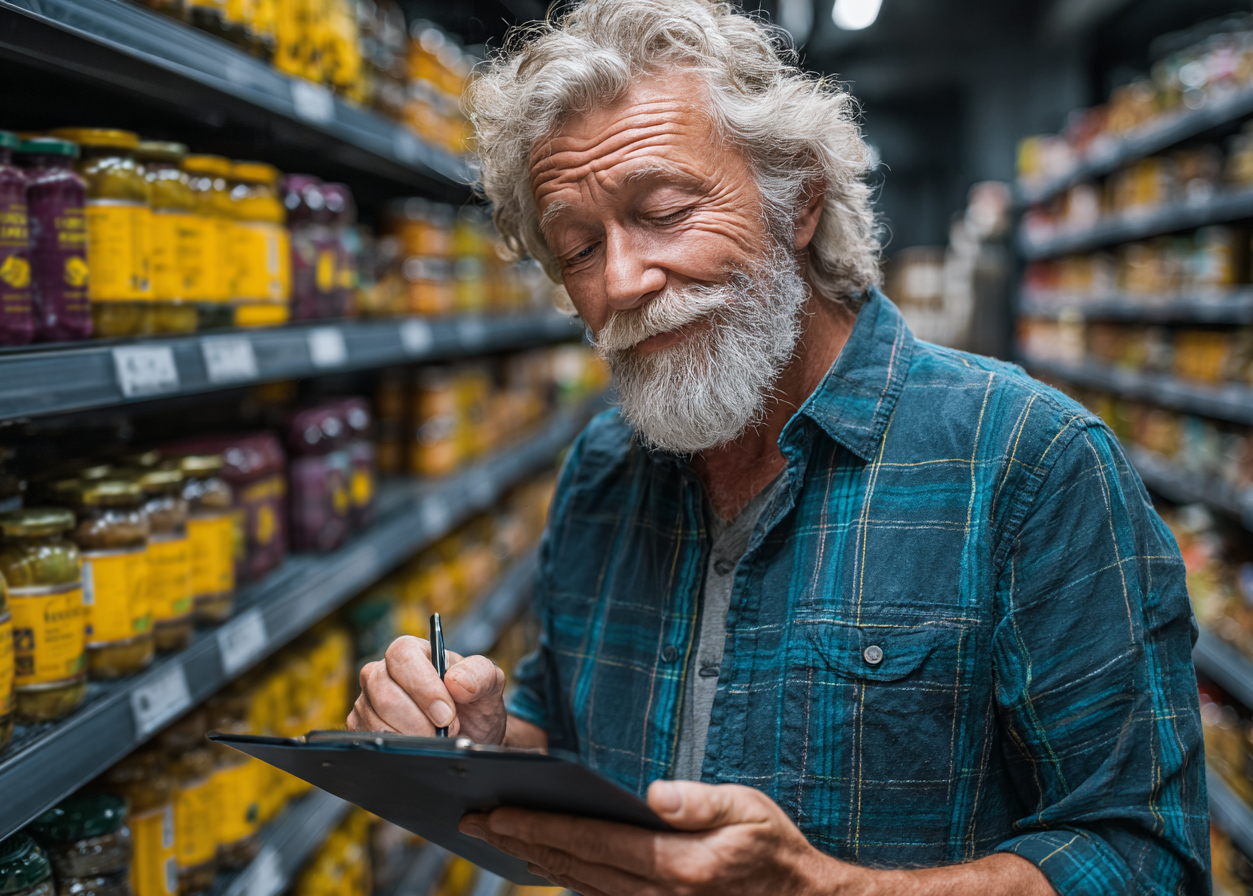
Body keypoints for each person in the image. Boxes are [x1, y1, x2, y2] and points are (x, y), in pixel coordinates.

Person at [347, 1, 1210, 892]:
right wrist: (484, 741)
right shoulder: (605, 469)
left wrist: (818, 888)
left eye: (665, 211)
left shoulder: (1031, 464)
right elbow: (567, 734)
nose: (620, 280)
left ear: (796, 202)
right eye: (577, 248)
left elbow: (1146, 858)